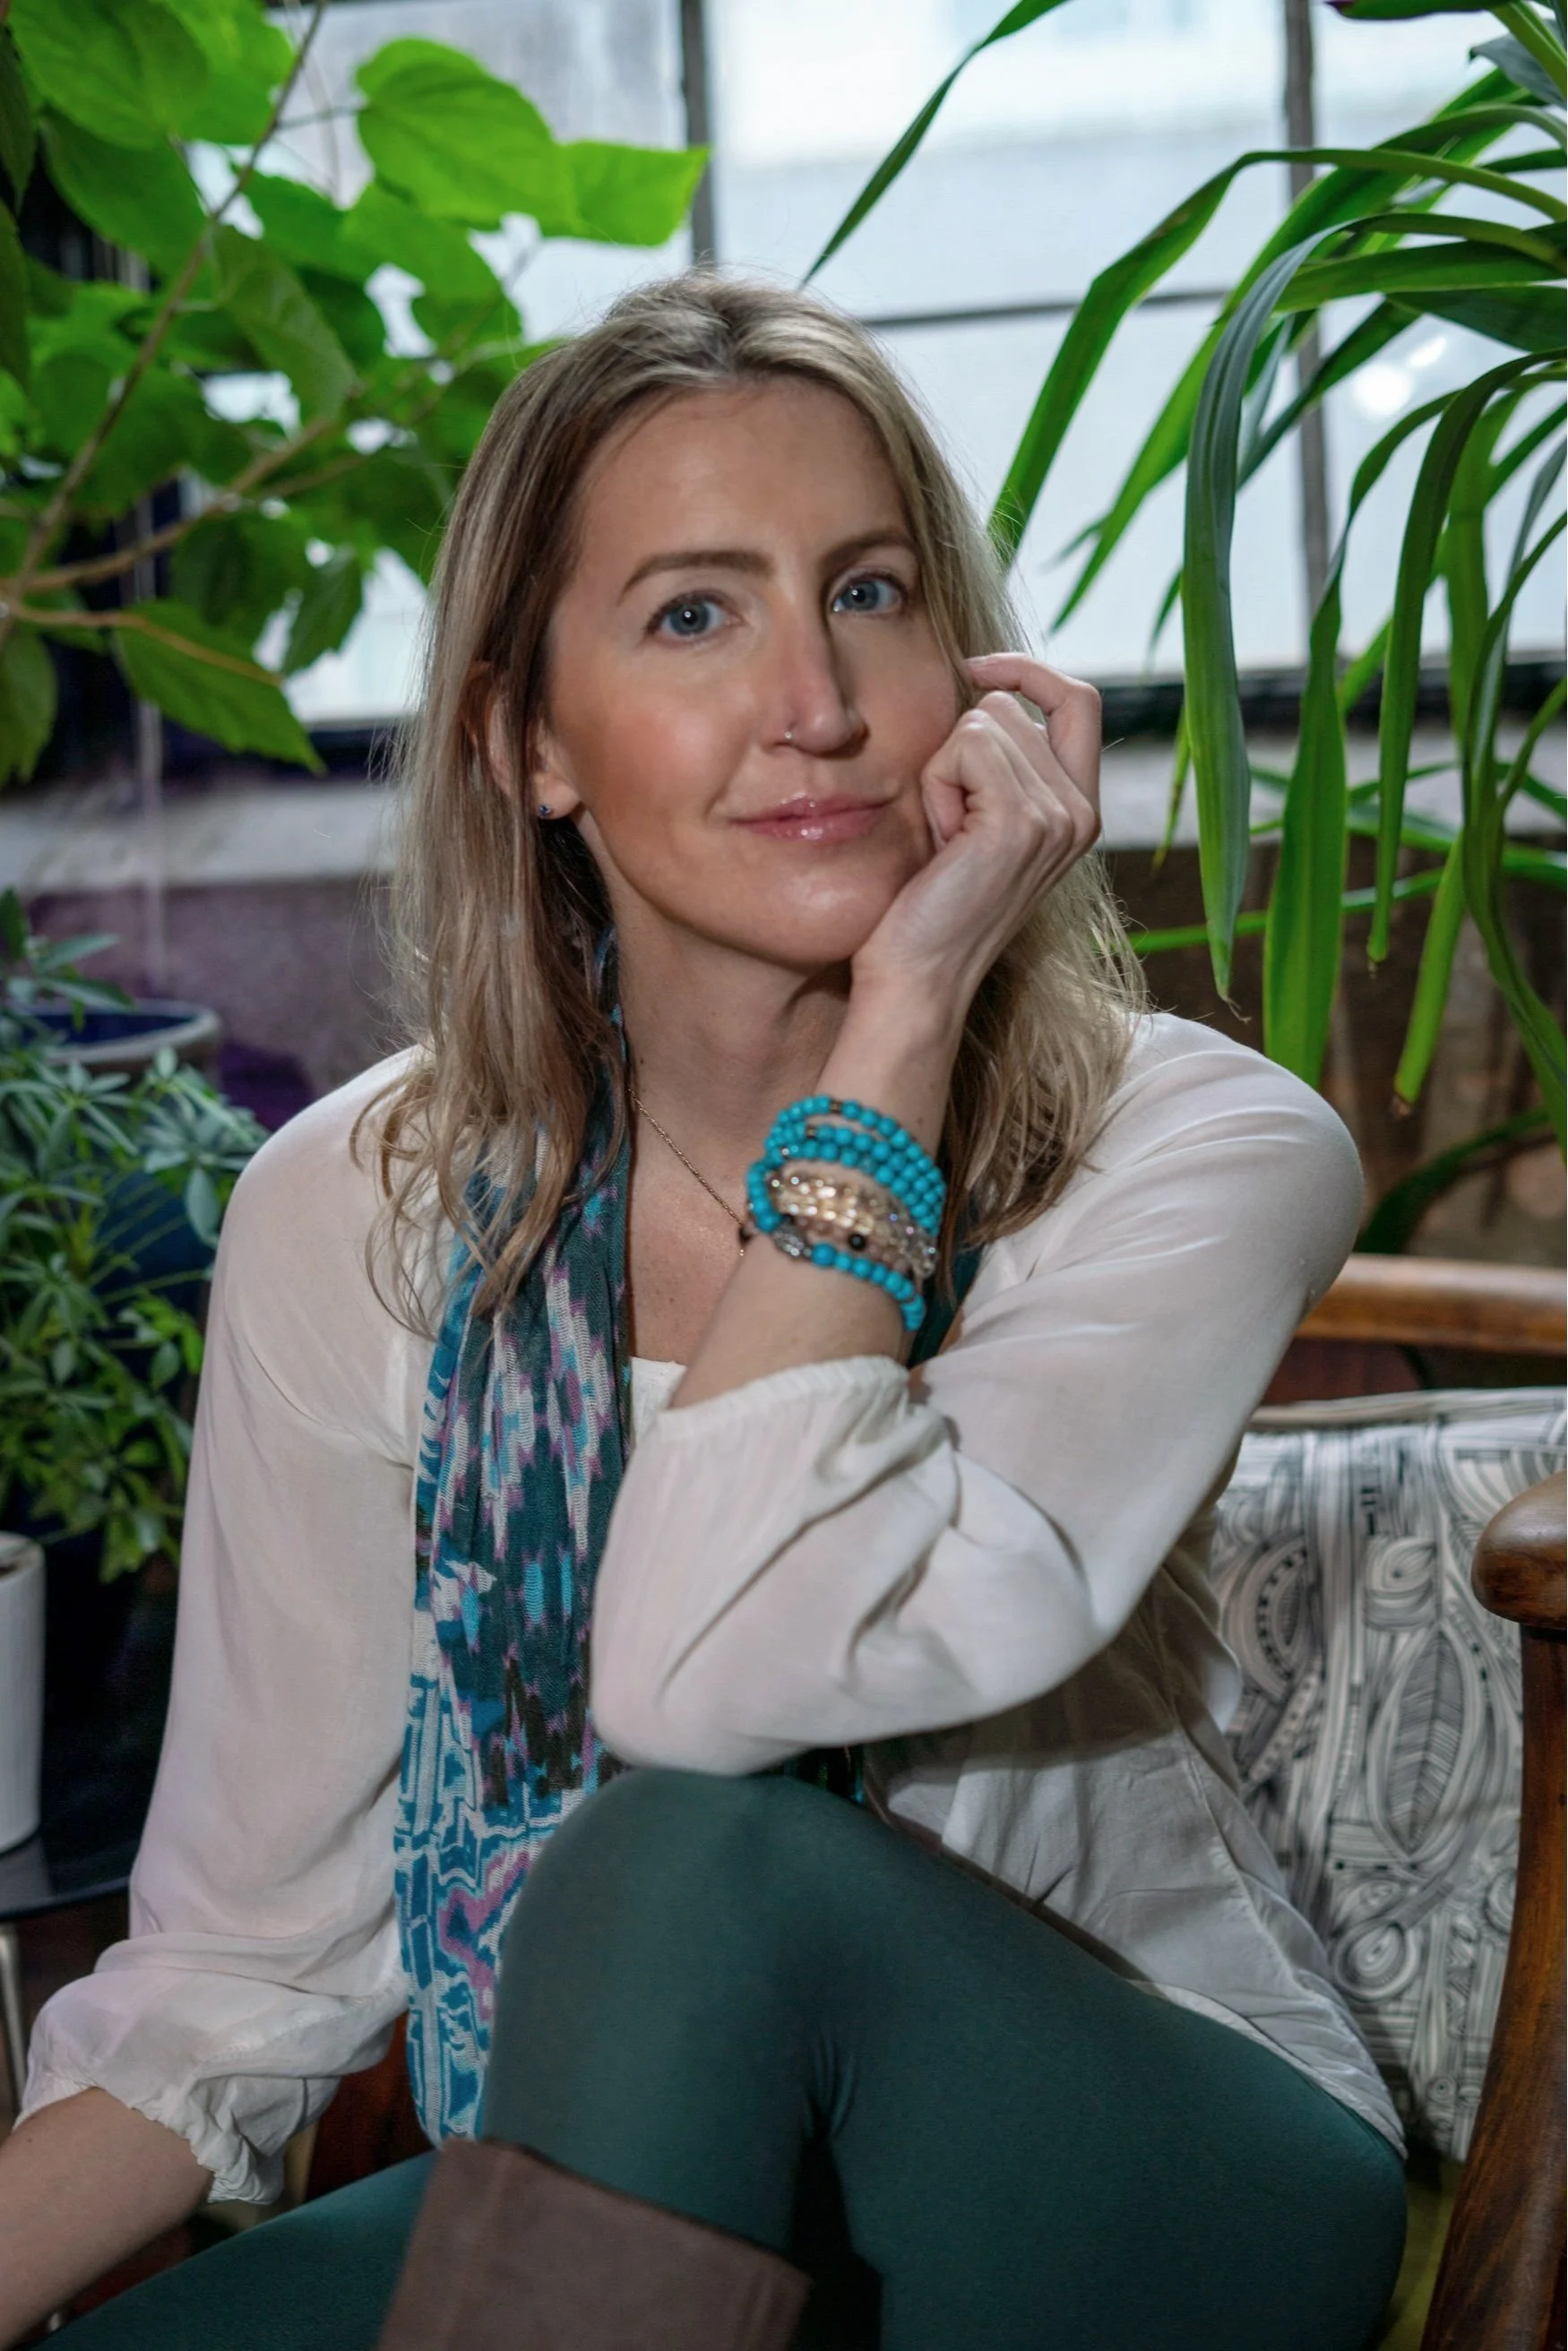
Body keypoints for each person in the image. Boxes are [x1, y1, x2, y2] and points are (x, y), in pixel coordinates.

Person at [0, 274, 1406, 2351]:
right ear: (523, 739)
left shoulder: (1182, 1150)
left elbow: (702, 1675)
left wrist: (904, 1016)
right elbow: (244, 1973)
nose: (812, 703)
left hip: (1148, 2167)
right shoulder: (361, 1215)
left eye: (867, 592)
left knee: (687, 1862)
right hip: (631, 2185)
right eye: (691, 614)